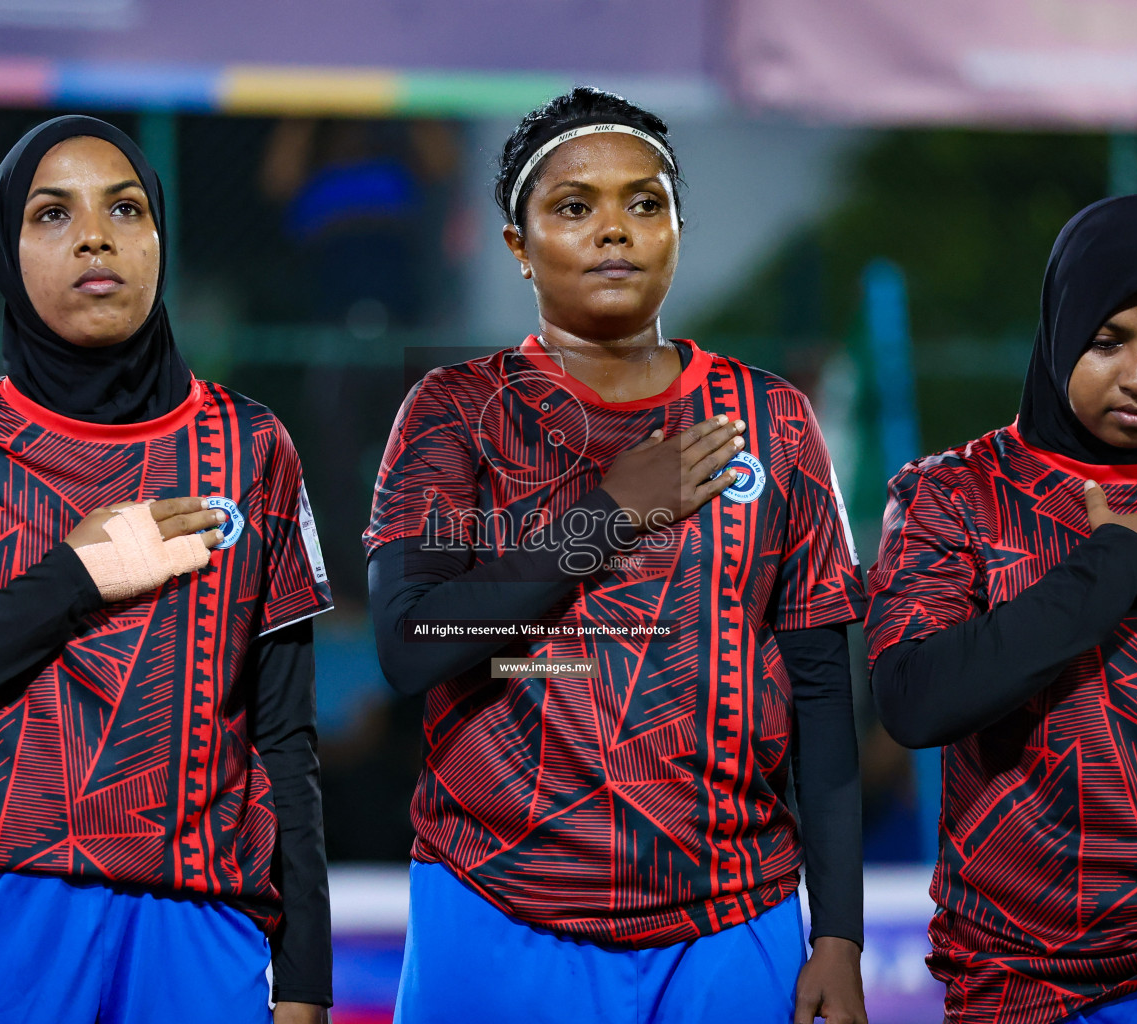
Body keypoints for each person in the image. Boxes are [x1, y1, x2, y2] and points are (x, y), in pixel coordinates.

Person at [364, 87, 869, 1024]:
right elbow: (410, 642)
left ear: (678, 228)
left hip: (732, 915)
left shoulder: (772, 422)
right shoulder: (455, 409)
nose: (615, 231)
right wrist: (610, 514)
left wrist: (840, 932)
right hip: (496, 902)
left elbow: (825, 696)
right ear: (517, 247)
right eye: (573, 206)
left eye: (645, 204)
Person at [0, 116, 334, 1024]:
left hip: (197, 930)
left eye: (125, 209)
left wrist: (304, 983)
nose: (95, 235)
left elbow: (285, 743)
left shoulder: (253, 447)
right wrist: (73, 578)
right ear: (5, 251)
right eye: (52, 214)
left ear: (158, 239)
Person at [866, 195, 1137, 1023]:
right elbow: (915, 698)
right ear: (1062, 326)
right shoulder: (953, 498)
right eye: (1109, 341)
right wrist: (1124, 564)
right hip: (1023, 973)